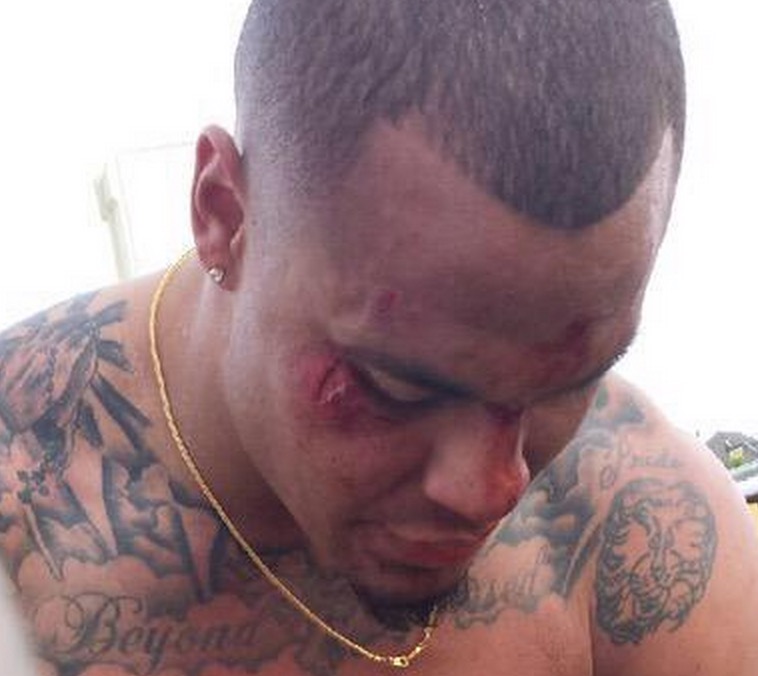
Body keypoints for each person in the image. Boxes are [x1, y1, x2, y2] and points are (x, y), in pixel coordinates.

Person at [1, 0, 756, 674]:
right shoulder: (21, 525)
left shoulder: (641, 511)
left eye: (571, 382)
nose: (491, 491)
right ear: (223, 212)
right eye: (396, 388)